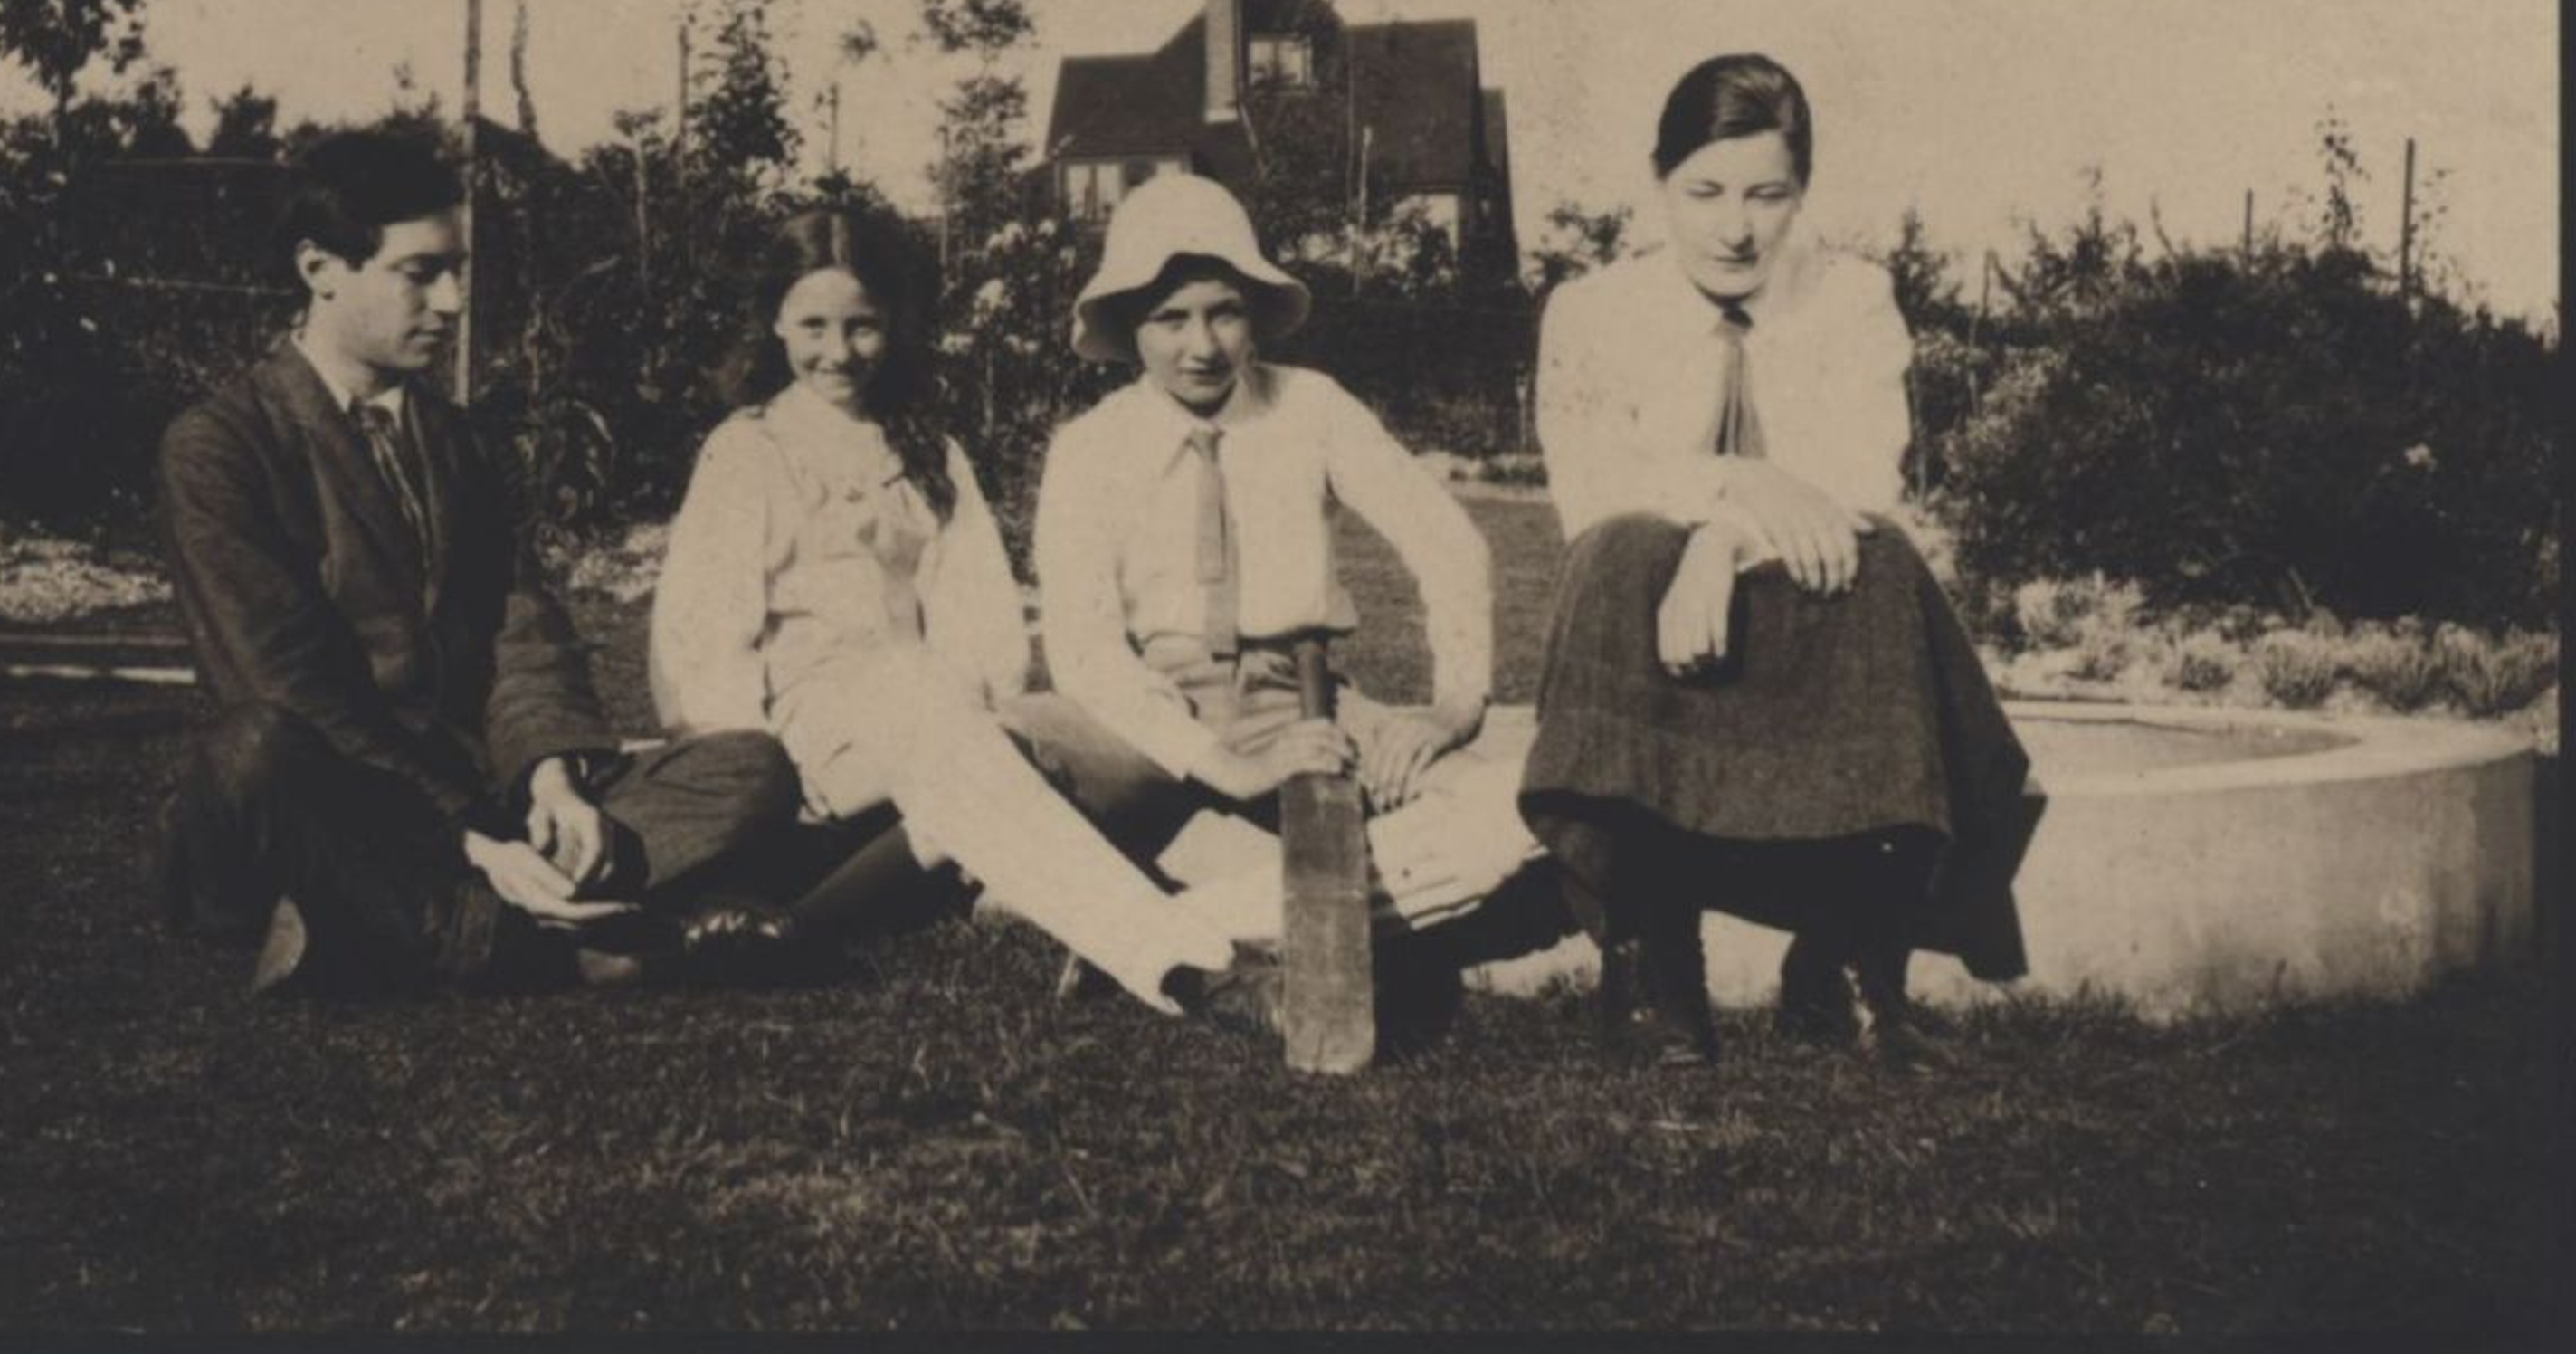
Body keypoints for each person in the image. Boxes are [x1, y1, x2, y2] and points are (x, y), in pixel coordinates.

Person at [156, 129, 803, 997]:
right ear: (320, 269)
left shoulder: (451, 437)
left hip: (476, 794)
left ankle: (391, 926)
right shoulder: (220, 444)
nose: (455, 300)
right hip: (340, 796)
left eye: (455, 269)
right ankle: (540, 941)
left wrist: (553, 782)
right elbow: (284, 685)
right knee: (252, 751)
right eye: (421, 273)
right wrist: (469, 837)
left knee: (750, 766)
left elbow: (518, 622)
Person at [1526, 52, 2032, 1067]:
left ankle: (1850, 965)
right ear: (1658, 183)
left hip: (1793, 604)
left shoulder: (1851, 299)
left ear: (1802, 192)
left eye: (1769, 194)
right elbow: (1594, 489)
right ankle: (1651, 967)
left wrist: (1724, 539)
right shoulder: (1590, 314)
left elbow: (1857, 481)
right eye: (1705, 192)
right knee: (1621, 553)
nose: (1736, 227)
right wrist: (1742, 486)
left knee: (1883, 566)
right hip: (1653, 616)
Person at [647, 205, 1250, 1018]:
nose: (838, 352)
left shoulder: (926, 448)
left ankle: (802, 927)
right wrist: (747, 779)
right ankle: (1185, 960)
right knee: (967, 754)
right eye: (814, 326)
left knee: (1021, 750)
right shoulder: (749, 450)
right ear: (775, 324)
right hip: (809, 734)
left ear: (893, 323)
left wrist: (972, 708)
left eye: (861, 327)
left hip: (930, 714)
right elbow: (705, 637)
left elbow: (983, 622)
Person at [1020, 172, 1545, 958]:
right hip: (1145, 715)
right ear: (1130, 325)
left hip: (1297, 705)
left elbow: (1447, 541)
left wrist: (1452, 707)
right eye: (1170, 319)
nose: (1202, 346)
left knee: (1526, 805)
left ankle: (1201, 920)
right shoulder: (1090, 447)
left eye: (1224, 312)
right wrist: (1225, 766)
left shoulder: (1312, 407)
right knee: (1001, 752)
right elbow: (1086, 653)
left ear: (1255, 315)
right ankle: (1297, 893)